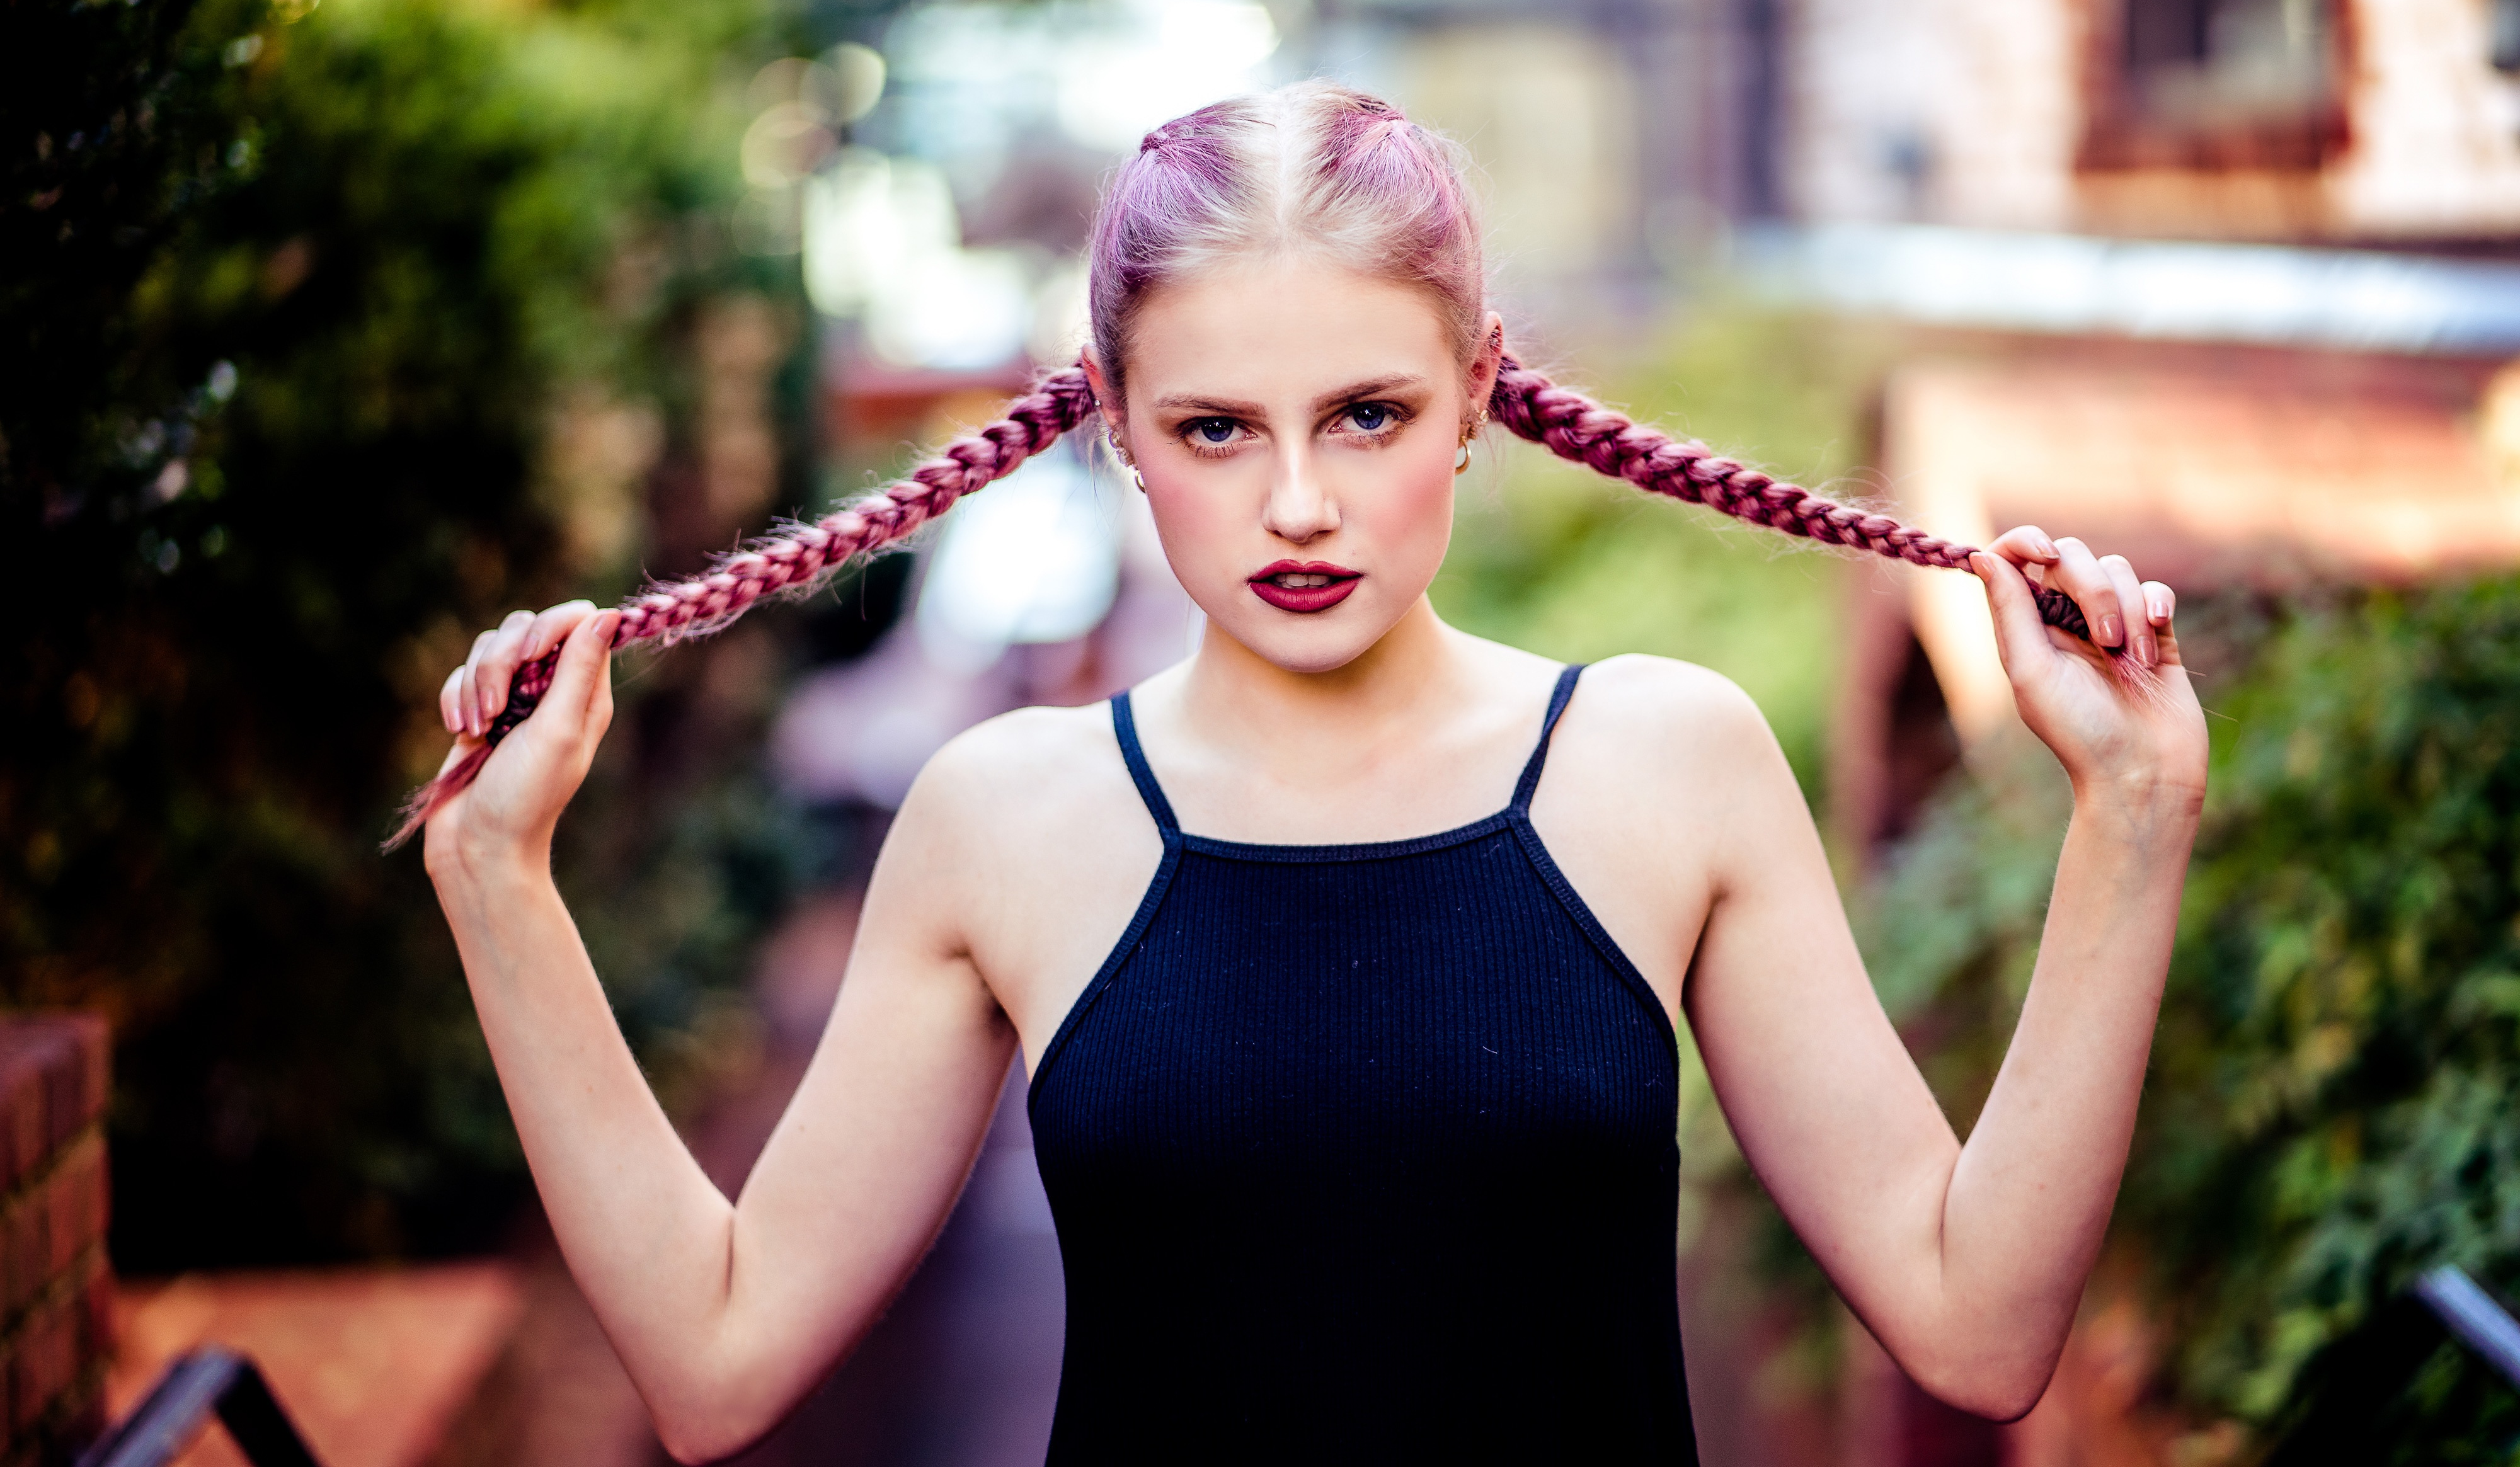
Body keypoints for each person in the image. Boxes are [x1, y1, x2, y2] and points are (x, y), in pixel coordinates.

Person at [421, 83, 2207, 1464]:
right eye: (1217, 429)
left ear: (1480, 392)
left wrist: (2133, 814)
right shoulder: (1007, 820)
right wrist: (499, 886)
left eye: (1367, 415)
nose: (1298, 505)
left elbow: (1978, 1329)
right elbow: (718, 1363)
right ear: (1117, 425)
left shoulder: (1667, 768)